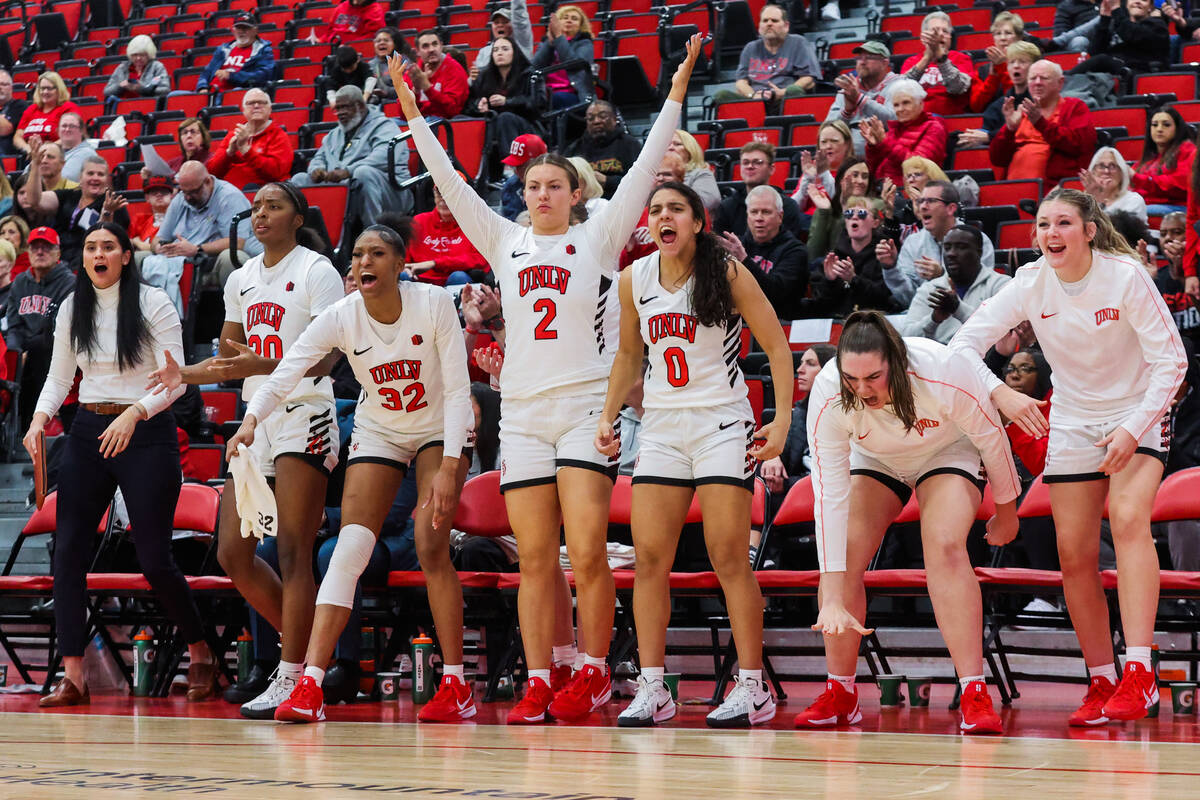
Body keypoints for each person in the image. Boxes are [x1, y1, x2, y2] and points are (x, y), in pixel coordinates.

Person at [388, 34, 705, 725]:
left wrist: (676, 92)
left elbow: (652, 158)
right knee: (534, 559)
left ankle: (592, 673)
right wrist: (413, 114)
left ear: (573, 192)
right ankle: (539, 677)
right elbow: (448, 181)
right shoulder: (503, 239)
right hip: (524, 413)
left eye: (553, 185)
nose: (541, 194)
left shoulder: (598, 234)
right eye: (532, 186)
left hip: (586, 407)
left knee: (586, 553)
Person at [949, 188, 1187, 727]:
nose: (1051, 233)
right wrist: (1001, 394)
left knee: (1128, 521)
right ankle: (1101, 676)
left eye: (1062, 223)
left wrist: (1132, 428)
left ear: (1088, 231)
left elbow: (1173, 362)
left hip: (1139, 407)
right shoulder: (1029, 283)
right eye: (1042, 224)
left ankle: (1141, 672)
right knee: (1074, 553)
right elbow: (962, 347)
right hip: (1074, 417)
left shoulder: (1125, 277)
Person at [226, 219, 474, 724]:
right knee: (349, 547)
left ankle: (456, 681)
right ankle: (311, 685)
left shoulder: (433, 303)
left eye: (377, 253)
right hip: (380, 429)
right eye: (358, 254)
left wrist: (451, 465)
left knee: (430, 544)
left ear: (400, 264)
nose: (364, 262)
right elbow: (289, 367)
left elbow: (455, 391)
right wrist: (251, 420)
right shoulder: (342, 315)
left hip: (437, 428)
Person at [596, 181, 793, 728]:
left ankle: (753, 687)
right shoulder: (634, 279)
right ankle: (654, 687)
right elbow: (629, 356)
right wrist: (608, 417)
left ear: (697, 221)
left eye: (675, 209)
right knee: (649, 560)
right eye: (656, 209)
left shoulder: (726, 272)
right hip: (661, 427)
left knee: (728, 556)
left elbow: (777, 346)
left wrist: (780, 420)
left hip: (721, 423)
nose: (664, 216)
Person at [146, 182, 344, 720]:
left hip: (306, 411)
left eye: (272, 206)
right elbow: (232, 361)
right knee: (233, 551)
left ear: (298, 217)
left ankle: (294, 674)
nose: (259, 215)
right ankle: (310, 661)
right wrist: (183, 373)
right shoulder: (240, 278)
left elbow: (327, 360)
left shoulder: (317, 271)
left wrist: (260, 364)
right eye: (254, 208)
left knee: (292, 553)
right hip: (255, 420)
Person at [797, 311, 1021, 734]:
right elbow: (828, 494)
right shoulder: (828, 391)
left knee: (944, 546)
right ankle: (841, 692)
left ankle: (975, 691)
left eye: (873, 377)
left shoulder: (940, 369)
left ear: (896, 363)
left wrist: (1006, 510)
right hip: (876, 458)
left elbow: (992, 437)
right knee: (843, 555)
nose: (862, 390)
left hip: (947, 449)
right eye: (852, 380)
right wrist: (829, 593)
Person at [23, 224, 218, 708]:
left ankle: (200, 650)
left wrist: (136, 412)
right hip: (89, 429)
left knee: (154, 559)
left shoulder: (153, 303)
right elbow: (60, 375)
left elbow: (175, 383)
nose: (98, 254)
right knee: (66, 554)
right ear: (84, 259)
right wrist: (39, 419)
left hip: (147, 432)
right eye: (90, 248)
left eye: (108, 246)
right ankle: (74, 676)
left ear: (126, 256)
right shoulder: (72, 306)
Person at [293, 86, 411, 227]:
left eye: (345, 107)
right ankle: (305, 236)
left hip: (391, 192)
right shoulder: (334, 134)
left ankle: (374, 233)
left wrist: (348, 171)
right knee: (299, 179)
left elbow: (384, 156)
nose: (340, 113)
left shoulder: (385, 126)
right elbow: (319, 157)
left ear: (360, 106)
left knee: (363, 173)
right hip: (342, 189)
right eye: (338, 108)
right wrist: (317, 170)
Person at [145, 161, 261, 293]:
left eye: (193, 192)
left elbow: (237, 242)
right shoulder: (181, 198)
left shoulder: (229, 197)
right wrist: (159, 247)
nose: (188, 197)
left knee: (231, 256)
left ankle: (237, 310)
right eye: (184, 192)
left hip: (211, 259)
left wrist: (197, 249)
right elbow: (159, 237)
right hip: (179, 258)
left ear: (208, 181)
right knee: (138, 258)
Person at [880, 181, 996, 307]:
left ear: (951, 208)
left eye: (930, 201)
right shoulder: (913, 243)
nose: (922, 207)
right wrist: (890, 268)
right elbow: (907, 300)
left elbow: (981, 296)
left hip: (967, 318)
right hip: (923, 316)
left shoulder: (977, 241)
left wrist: (942, 276)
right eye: (921, 201)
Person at [6, 226, 73, 431]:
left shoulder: (69, 282)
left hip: (55, 349)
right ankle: (13, 430)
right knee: (11, 356)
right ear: (28, 253)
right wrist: (16, 352)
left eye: (47, 247)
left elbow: (57, 327)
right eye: (35, 248)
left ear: (58, 253)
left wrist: (26, 350)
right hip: (26, 350)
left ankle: (46, 422)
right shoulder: (20, 282)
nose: (40, 252)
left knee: (40, 352)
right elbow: (14, 324)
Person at [990, 60, 1094, 185]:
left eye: (1044, 78)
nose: (1037, 83)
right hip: (1013, 190)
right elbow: (997, 159)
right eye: (1033, 78)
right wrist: (1009, 129)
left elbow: (1079, 145)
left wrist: (1041, 123)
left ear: (1060, 83)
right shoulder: (1021, 112)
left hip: (1055, 192)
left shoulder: (1075, 107)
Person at [901, 224, 1010, 344]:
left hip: (985, 358)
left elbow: (1002, 333)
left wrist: (958, 309)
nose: (951, 254)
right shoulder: (930, 288)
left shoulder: (1000, 285)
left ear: (979, 252)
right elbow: (907, 338)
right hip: (938, 357)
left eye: (961, 247)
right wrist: (933, 320)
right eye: (947, 248)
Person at [26, 149, 130, 270]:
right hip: (56, 256)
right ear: (80, 177)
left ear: (107, 180)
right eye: (90, 173)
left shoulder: (113, 203)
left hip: (87, 262)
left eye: (100, 174)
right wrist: (35, 165)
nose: (95, 178)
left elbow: (106, 240)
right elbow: (34, 200)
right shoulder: (69, 195)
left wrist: (107, 212)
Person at [718, 186, 809, 320]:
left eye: (766, 212)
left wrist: (744, 260)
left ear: (780, 216)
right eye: (754, 212)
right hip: (738, 325)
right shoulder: (735, 247)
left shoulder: (795, 251)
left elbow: (776, 295)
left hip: (779, 326)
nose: (759, 218)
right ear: (747, 216)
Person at [759, 345, 837, 496]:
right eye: (801, 363)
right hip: (797, 495)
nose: (800, 369)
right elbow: (780, 451)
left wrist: (787, 485)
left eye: (811, 364)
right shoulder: (798, 415)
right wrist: (773, 457)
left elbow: (833, 478)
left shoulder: (848, 416)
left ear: (830, 372)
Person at [716, 4, 821, 112]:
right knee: (722, 95)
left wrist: (782, 92)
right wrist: (752, 95)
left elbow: (809, 79)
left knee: (794, 90)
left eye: (774, 21)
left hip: (784, 98)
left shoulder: (798, 43)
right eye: (765, 21)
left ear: (786, 26)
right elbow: (741, 82)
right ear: (759, 26)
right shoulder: (750, 48)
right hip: (755, 101)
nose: (769, 24)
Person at [815, 196, 903, 316]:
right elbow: (821, 304)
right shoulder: (835, 256)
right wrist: (830, 281)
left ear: (875, 222)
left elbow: (885, 297)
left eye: (861, 213)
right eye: (849, 213)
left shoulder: (884, 254)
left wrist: (854, 280)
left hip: (872, 323)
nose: (854, 217)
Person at [861, 79, 947, 189]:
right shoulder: (894, 129)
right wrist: (873, 147)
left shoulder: (934, 128)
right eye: (896, 105)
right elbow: (873, 168)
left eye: (906, 103)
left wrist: (884, 142)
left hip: (911, 191)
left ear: (920, 104)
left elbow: (918, 166)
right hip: (883, 189)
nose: (900, 109)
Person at [406, 180, 491, 286]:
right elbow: (404, 257)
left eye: (450, 194)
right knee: (402, 275)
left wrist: (435, 263)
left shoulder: (477, 223)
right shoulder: (418, 221)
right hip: (420, 282)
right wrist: (405, 267)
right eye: (439, 193)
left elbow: (479, 260)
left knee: (458, 277)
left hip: (455, 281)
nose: (443, 200)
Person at [713, 142, 803, 239]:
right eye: (745, 162)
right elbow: (719, 245)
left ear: (771, 169)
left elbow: (789, 244)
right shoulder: (727, 206)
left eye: (757, 162)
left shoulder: (787, 206)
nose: (750, 166)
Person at [208, 89, 294, 190]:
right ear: (243, 110)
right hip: (229, 194)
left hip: (265, 194)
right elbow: (212, 173)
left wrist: (247, 151)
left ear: (270, 109)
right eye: (251, 103)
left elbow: (276, 173)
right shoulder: (233, 135)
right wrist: (229, 153)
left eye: (262, 102)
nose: (256, 106)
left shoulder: (278, 136)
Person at [826, 42, 900, 156]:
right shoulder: (848, 87)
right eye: (859, 58)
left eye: (869, 57)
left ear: (885, 63)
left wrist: (859, 99)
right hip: (849, 158)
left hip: (886, 153)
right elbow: (829, 128)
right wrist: (847, 112)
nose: (862, 62)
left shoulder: (898, 85)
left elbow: (895, 121)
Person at [469, 36, 538, 159]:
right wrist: (479, 104)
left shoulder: (529, 74)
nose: (499, 52)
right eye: (495, 50)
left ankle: (511, 166)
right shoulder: (484, 75)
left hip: (526, 124)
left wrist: (507, 102)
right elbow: (470, 103)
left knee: (505, 118)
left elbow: (536, 103)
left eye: (505, 49)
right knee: (462, 119)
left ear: (514, 52)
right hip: (493, 123)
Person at [960, 42, 1040, 146]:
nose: (1016, 66)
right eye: (1011, 62)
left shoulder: (1041, 101)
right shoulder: (998, 106)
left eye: (1022, 62)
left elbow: (1032, 135)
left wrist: (990, 137)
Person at [899, 11, 974, 117]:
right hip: (917, 121)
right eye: (935, 31)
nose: (940, 35)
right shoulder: (911, 61)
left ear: (950, 38)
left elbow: (958, 88)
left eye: (945, 31)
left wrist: (941, 60)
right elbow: (902, 90)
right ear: (923, 37)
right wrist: (927, 58)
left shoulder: (961, 58)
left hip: (951, 120)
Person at [562, 101, 642, 199]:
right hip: (584, 205)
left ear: (614, 119)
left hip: (620, 201)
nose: (596, 121)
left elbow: (639, 182)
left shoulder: (630, 145)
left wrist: (607, 181)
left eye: (603, 116)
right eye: (590, 118)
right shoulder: (574, 149)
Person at [803, 157, 875, 262]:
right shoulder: (827, 210)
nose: (860, 181)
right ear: (841, 180)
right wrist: (824, 212)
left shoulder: (874, 211)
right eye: (855, 175)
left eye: (865, 177)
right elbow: (812, 256)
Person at [1074, 0, 1169, 75]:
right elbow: (1095, 52)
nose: (1138, 1)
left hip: (1138, 73)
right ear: (1127, 4)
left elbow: (1132, 34)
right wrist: (1105, 18)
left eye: (1144, 0)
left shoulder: (1157, 25)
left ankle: (1065, 80)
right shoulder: (1116, 24)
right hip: (1111, 74)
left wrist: (1115, 8)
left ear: (1150, 8)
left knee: (1102, 60)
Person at [1131, 106, 1195, 216]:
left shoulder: (1187, 150)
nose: (1159, 129)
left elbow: (1179, 186)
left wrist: (1142, 180)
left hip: (1177, 207)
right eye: (1155, 125)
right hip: (1147, 205)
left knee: (1130, 212)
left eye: (1166, 125)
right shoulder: (1148, 158)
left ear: (1177, 128)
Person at [529, 5, 596, 109]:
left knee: (555, 99)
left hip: (574, 94)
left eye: (574, 19)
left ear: (580, 26)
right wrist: (549, 43)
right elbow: (534, 67)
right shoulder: (546, 43)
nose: (569, 21)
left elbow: (573, 64)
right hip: (545, 92)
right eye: (565, 18)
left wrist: (559, 37)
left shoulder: (585, 43)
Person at [195, 13, 275, 95]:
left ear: (255, 30)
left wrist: (231, 76)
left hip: (235, 94)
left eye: (246, 28)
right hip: (210, 93)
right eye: (238, 28)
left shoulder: (263, 51)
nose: (241, 31)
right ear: (233, 30)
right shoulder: (223, 49)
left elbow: (263, 76)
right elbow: (207, 72)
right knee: (181, 95)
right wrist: (202, 87)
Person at [401, 30, 470, 119]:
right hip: (418, 121)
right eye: (425, 46)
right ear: (417, 51)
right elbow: (403, 115)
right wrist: (416, 91)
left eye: (435, 44)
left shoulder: (455, 70)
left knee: (431, 120)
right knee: (392, 123)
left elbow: (452, 111)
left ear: (441, 46)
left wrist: (427, 87)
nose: (431, 49)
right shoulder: (413, 72)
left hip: (444, 122)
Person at [967, 12, 1026, 114]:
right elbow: (976, 107)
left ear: (1019, 38)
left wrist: (1002, 66)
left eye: (1008, 33)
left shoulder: (1028, 65)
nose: (1002, 38)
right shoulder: (982, 71)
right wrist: (992, 78)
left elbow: (1018, 100)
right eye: (998, 34)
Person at [792, 121, 855, 215]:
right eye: (823, 142)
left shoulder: (855, 171)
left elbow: (846, 207)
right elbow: (793, 208)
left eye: (834, 141)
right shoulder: (812, 170)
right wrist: (807, 180)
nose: (828, 146)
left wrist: (824, 174)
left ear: (847, 144)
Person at [12, 72, 81, 153]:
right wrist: (28, 149)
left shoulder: (68, 107)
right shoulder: (32, 109)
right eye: (42, 88)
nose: (45, 92)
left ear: (59, 90)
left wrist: (46, 150)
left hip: (60, 155)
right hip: (31, 156)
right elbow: (17, 137)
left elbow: (72, 135)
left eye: (49, 88)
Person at [103, 35, 170, 108]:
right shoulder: (122, 68)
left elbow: (165, 90)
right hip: (124, 106)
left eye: (142, 55)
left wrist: (142, 89)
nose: (138, 58)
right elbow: (107, 92)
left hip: (148, 105)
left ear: (149, 55)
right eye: (135, 55)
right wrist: (120, 86)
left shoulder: (157, 67)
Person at [472, 1, 534, 78]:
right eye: (496, 22)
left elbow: (520, 18)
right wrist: (473, 79)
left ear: (513, 25)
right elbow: (476, 80)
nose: (500, 25)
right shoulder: (484, 52)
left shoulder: (521, 44)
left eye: (505, 22)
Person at [667, 130, 721, 214]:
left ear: (690, 150)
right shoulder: (655, 176)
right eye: (667, 145)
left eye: (677, 144)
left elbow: (706, 202)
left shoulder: (701, 174)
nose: (670, 147)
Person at [499, 133, 547, 221]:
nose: (517, 171)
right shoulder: (511, 186)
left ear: (539, 162)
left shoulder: (558, 185)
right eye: (514, 166)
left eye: (522, 166)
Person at [366, 28, 411, 105]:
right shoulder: (369, 66)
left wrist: (387, 93)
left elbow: (408, 88)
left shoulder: (404, 62)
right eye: (378, 41)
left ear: (395, 44)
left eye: (386, 40)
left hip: (402, 104)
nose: (381, 43)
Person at [129, 176, 174, 251]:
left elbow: (163, 249)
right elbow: (127, 243)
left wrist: (137, 242)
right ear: (147, 198)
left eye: (164, 191)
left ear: (171, 196)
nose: (159, 195)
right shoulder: (140, 220)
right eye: (154, 192)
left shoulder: (177, 221)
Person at [311, 0, 385, 43]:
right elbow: (330, 32)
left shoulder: (375, 11)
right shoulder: (342, 6)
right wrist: (319, 40)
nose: (356, 2)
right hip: (333, 48)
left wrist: (348, 46)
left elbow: (370, 39)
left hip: (354, 53)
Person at [56, 112, 97, 184]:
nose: (67, 129)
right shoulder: (54, 151)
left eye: (72, 126)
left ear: (81, 131)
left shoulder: (86, 153)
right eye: (64, 126)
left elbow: (66, 177)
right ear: (58, 131)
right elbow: (29, 172)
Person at [0, 69, 28, 156]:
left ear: (11, 88)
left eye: (4, 84)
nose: (0, 87)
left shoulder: (19, 105)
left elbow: (5, 130)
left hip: (8, 155)